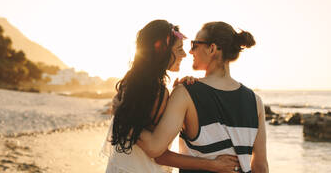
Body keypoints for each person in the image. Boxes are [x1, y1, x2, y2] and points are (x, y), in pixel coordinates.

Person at [102, 20, 241, 173]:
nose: (184, 54)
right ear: (162, 50)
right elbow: (155, 149)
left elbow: (145, 123)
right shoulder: (158, 92)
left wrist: (178, 94)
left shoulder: (133, 83)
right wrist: (213, 164)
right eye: (179, 49)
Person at [138, 21, 269, 173]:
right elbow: (260, 166)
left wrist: (125, 125)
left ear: (212, 49)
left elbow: (158, 153)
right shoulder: (255, 101)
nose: (190, 52)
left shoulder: (185, 93)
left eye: (194, 45)